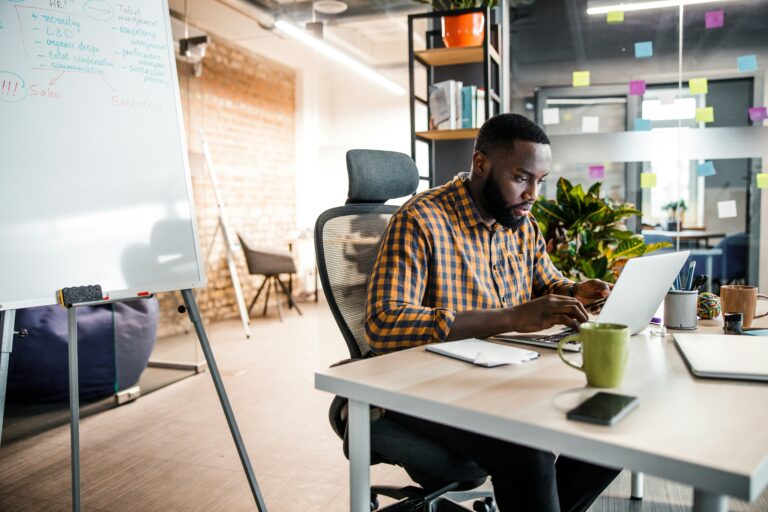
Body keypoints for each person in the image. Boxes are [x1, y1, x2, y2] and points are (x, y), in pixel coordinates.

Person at [364, 113, 620, 511]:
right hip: (424, 386)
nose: (532, 193)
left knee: (609, 427)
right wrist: (512, 317)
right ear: (480, 163)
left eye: (540, 181)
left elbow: (547, 282)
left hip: (501, 376)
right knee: (528, 455)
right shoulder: (420, 219)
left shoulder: (521, 222)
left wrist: (576, 291)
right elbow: (383, 323)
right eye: (521, 178)